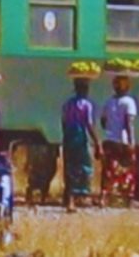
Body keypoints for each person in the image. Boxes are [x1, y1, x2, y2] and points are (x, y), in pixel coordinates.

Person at [61, 77, 102, 212]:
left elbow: (64, 121)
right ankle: (80, 195)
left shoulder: (68, 104)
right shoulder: (86, 105)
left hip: (68, 135)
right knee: (84, 165)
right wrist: (97, 142)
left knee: (70, 166)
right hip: (80, 136)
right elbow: (89, 124)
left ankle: (70, 197)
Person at [99, 75, 138, 207]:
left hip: (109, 139)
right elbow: (129, 123)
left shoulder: (109, 101)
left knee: (108, 170)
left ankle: (104, 196)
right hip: (123, 140)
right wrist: (132, 142)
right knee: (127, 169)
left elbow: (103, 121)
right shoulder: (129, 102)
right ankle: (126, 198)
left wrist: (110, 128)